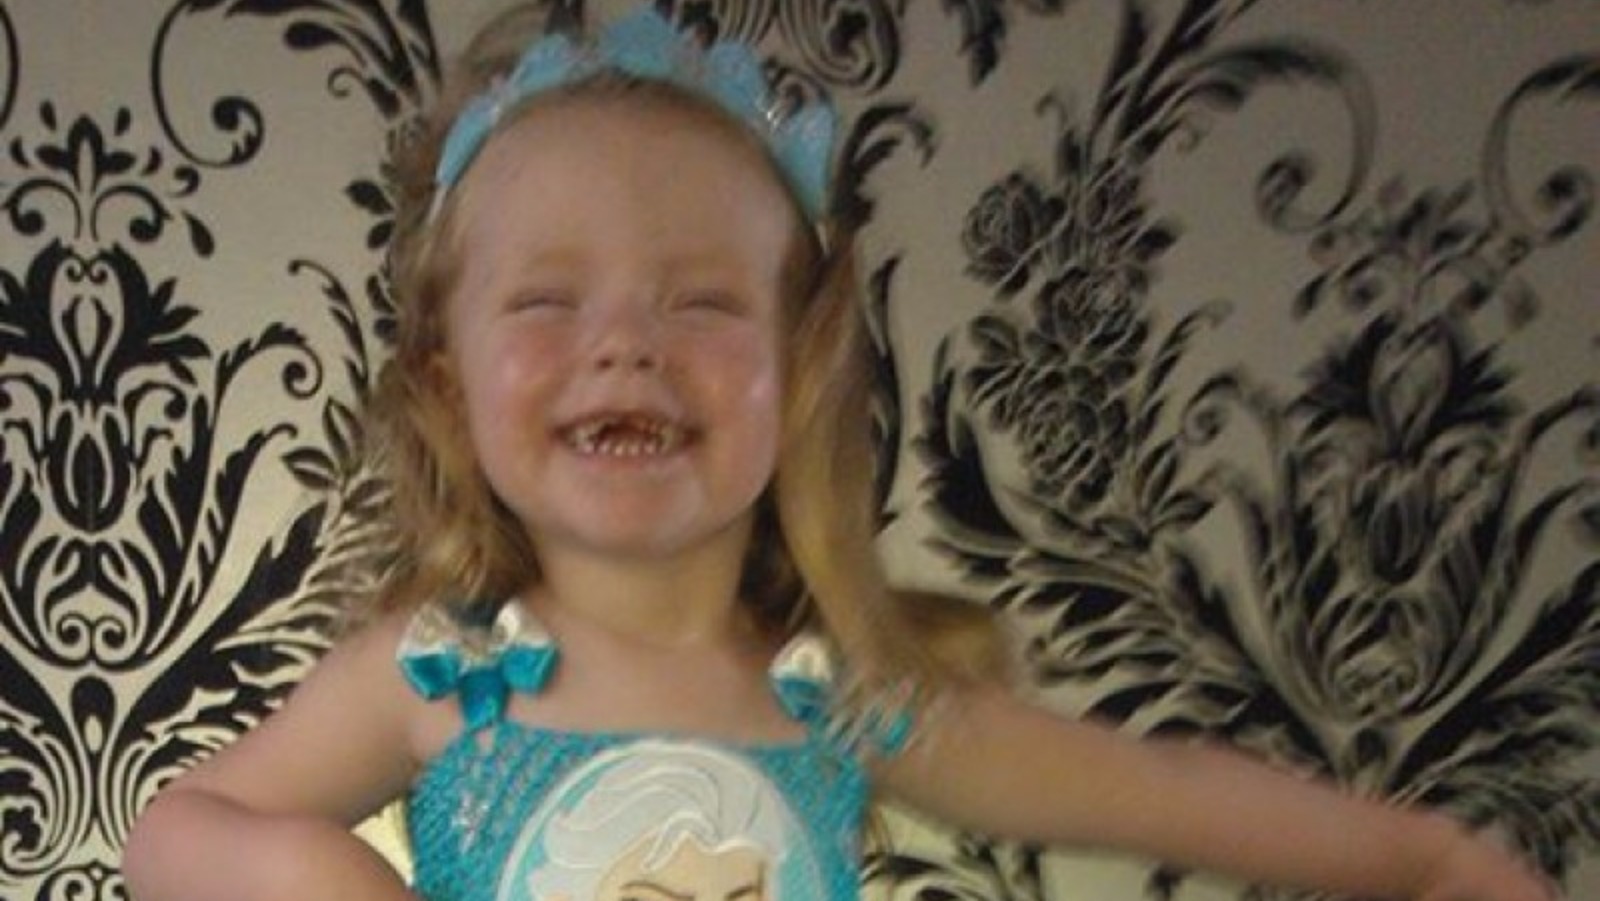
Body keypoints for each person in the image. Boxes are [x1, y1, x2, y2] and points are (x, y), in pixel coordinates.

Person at [121, 5, 1561, 901]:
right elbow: (170, 835)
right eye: (549, 300)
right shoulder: (440, 674)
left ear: (800, 372)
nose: (626, 346)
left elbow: (1156, 790)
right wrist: (320, 879)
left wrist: (1427, 859)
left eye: (701, 302)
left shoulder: (837, 694)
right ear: (446, 374)